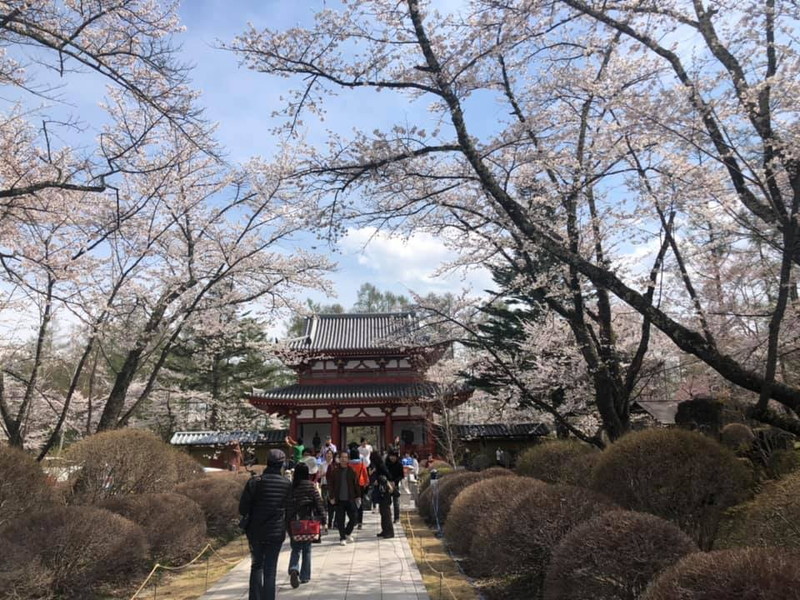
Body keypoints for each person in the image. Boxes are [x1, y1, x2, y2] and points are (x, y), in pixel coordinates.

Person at [239, 449, 292, 600]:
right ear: (282, 464)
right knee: (270, 570)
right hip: (276, 531)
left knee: (256, 566)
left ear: (268, 462)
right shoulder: (286, 484)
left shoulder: (255, 482)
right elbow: (289, 509)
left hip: (255, 531)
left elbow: (242, 509)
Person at [287, 462, 326, 588]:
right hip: (308, 521)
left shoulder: (291, 487)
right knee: (307, 549)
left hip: (294, 522)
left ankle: (293, 568)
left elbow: (287, 505)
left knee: (296, 548)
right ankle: (304, 576)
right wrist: (323, 518)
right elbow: (318, 502)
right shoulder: (310, 485)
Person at [328, 451, 361, 545]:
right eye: (341, 457)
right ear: (339, 459)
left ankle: (347, 533)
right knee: (340, 520)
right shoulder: (335, 471)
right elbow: (331, 485)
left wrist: (358, 496)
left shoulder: (352, 471)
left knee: (354, 518)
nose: (343, 459)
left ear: (348, 459)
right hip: (339, 499)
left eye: (345, 457)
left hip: (350, 498)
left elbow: (356, 485)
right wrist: (331, 496)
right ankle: (342, 537)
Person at [369, 450, 394, 538]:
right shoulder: (377, 466)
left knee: (386, 512)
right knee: (383, 511)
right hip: (381, 491)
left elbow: (387, 477)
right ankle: (385, 530)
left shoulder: (381, 466)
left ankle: (389, 531)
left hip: (384, 491)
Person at [348, 447, 370, 529]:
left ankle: (353, 520)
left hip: (350, 486)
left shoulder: (348, 465)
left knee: (351, 503)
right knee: (359, 503)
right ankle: (360, 522)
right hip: (360, 486)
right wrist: (366, 484)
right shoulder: (361, 465)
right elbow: (366, 476)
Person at [319, 448, 336, 530]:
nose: (328, 455)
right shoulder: (322, 464)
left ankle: (330, 522)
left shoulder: (335, 464)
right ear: (325, 455)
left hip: (332, 486)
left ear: (332, 455)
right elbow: (318, 476)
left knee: (331, 505)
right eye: (327, 453)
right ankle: (325, 522)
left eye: (330, 453)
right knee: (325, 504)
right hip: (324, 485)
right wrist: (325, 474)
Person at [386, 450, 404, 523]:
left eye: (394, 456)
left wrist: (395, 481)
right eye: (391, 456)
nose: (392, 458)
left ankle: (396, 518)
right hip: (387, 484)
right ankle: (388, 517)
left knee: (396, 502)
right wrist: (388, 481)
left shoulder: (399, 465)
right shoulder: (386, 464)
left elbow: (401, 475)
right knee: (387, 502)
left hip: (395, 485)